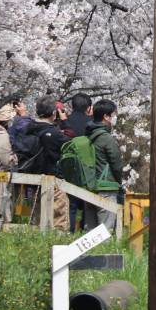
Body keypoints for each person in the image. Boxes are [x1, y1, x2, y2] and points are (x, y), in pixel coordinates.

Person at [21, 95, 70, 231]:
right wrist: (65, 123)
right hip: (54, 181)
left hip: (34, 180)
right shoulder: (54, 134)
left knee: (37, 219)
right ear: (54, 113)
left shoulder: (28, 129)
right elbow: (71, 143)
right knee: (58, 219)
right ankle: (57, 246)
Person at [84, 99, 124, 231]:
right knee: (105, 231)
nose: (114, 118)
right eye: (112, 115)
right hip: (106, 188)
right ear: (106, 116)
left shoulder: (88, 134)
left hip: (89, 187)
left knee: (91, 231)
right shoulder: (106, 138)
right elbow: (116, 164)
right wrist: (119, 182)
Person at [61, 93, 93, 231]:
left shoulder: (65, 122)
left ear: (72, 105)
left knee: (71, 203)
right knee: (86, 202)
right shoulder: (91, 123)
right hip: (86, 167)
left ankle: (70, 231)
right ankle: (85, 230)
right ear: (88, 107)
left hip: (69, 166)